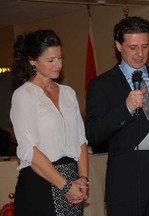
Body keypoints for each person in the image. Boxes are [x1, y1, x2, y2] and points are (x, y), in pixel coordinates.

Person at [85, 16, 149, 216]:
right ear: (118, 46)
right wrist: (126, 108)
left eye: (145, 46)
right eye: (133, 47)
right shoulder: (101, 85)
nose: (140, 54)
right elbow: (93, 133)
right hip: (124, 187)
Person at [10, 29, 89, 216]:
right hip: (40, 181)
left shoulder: (68, 92)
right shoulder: (24, 95)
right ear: (32, 61)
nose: (58, 65)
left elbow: (80, 140)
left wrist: (83, 179)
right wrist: (65, 186)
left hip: (72, 177)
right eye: (50, 60)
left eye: (60, 58)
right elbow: (30, 151)